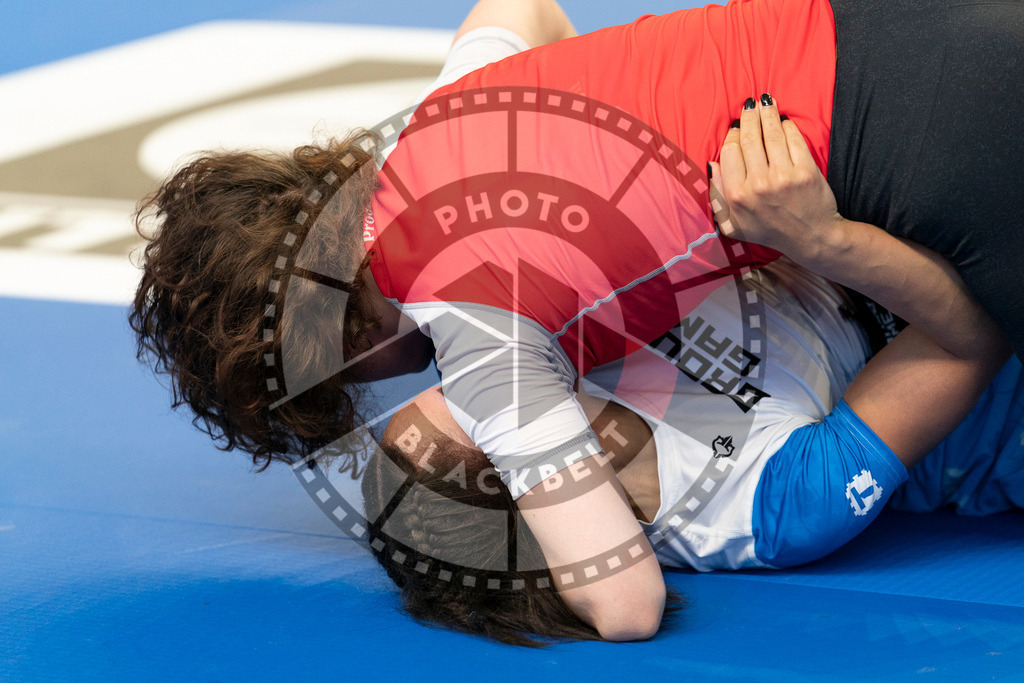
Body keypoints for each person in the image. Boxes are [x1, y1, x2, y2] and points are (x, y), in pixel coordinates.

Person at [130, 0, 1020, 639]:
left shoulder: (513, 349)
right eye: (457, 429)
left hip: (904, 134)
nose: (440, 391)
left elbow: (622, 603)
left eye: (412, 396)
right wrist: (821, 240)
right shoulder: (748, 506)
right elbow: (969, 336)